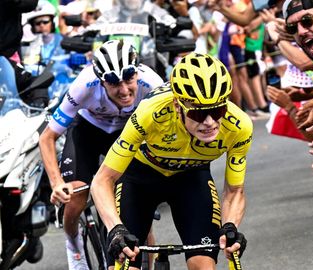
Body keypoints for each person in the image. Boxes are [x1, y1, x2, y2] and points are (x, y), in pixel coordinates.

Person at [90, 53, 251, 270]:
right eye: (198, 114)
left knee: (203, 266)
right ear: (177, 106)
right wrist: (115, 229)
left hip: (191, 178)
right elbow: (102, 181)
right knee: (124, 265)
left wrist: (230, 225)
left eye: (217, 110)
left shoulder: (239, 126)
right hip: (140, 178)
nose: (210, 122)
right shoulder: (150, 112)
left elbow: (234, 191)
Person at [39, 39, 163, 270]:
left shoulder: (152, 83)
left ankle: (148, 262)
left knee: (135, 200)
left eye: (128, 79)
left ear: (137, 72)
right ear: (100, 80)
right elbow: (47, 137)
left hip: (127, 134)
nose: (124, 90)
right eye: (114, 83)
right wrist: (56, 183)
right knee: (76, 195)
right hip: (88, 131)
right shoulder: (84, 85)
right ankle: (74, 244)